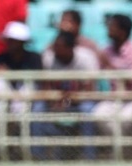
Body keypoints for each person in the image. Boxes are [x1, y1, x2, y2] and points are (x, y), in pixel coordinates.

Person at [0, 21, 43, 158]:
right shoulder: (1, 58)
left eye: (14, 41)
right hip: (3, 103)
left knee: (30, 91)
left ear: (22, 42)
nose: (10, 44)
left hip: (28, 102)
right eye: (9, 41)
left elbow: (39, 81)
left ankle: (33, 153)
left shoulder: (34, 59)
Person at [40, 30, 99, 159]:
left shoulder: (86, 58)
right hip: (57, 101)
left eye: (59, 47)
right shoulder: (48, 58)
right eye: (55, 47)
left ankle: (89, 156)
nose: (55, 51)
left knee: (87, 110)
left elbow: (89, 90)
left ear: (70, 48)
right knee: (38, 109)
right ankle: (39, 156)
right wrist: (55, 102)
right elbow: (46, 86)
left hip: (80, 101)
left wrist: (67, 101)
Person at [92, 14, 132, 137]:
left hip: (131, 99)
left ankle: (120, 150)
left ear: (123, 31)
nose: (109, 28)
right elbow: (97, 75)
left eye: (113, 26)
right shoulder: (106, 51)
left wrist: (110, 66)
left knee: (125, 119)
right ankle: (119, 148)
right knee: (98, 114)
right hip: (111, 99)